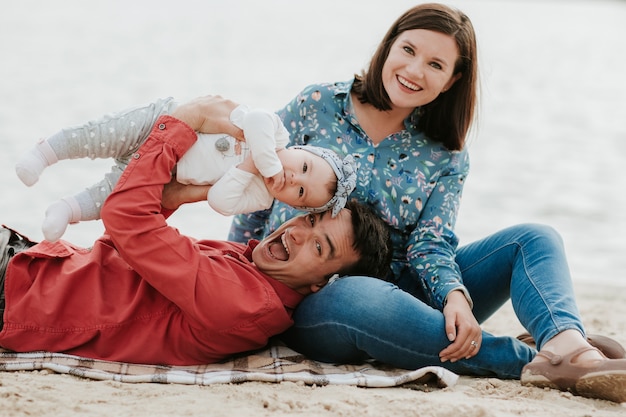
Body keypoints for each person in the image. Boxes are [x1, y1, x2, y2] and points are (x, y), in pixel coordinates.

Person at [217, 3, 626, 403]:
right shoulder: (317, 105)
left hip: (414, 294)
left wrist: (455, 296)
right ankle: (528, 359)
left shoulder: (446, 153)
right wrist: (237, 274)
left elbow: (430, 242)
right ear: (389, 45)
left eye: (435, 64)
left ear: (451, 80)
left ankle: (569, 347)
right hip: (319, 299)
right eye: (409, 50)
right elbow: (257, 179)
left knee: (534, 238)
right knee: (360, 296)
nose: (414, 71)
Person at [0, 95, 392, 367]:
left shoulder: (241, 300)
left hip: (15, 296)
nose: (295, 233)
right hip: (30, 265)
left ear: (321, 285)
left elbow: (124, 220)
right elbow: (123, 243)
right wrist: (186, 192)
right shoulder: (251, 268)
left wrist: (186, 120)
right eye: (308, 219)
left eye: (320, 248)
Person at [14, 98, 357, 242]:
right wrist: (265, 161)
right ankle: (46, 152)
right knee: (101, 136)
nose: (294, 177)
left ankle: (67, 209)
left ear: (293, 205)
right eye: (304, 167)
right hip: (164, 121)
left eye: (300, 191)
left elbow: (221, 201)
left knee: (114, 193)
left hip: (167, 170)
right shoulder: (276, 134)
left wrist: (250, 168)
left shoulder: (260, 196)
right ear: (299, 150)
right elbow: (254, 120)